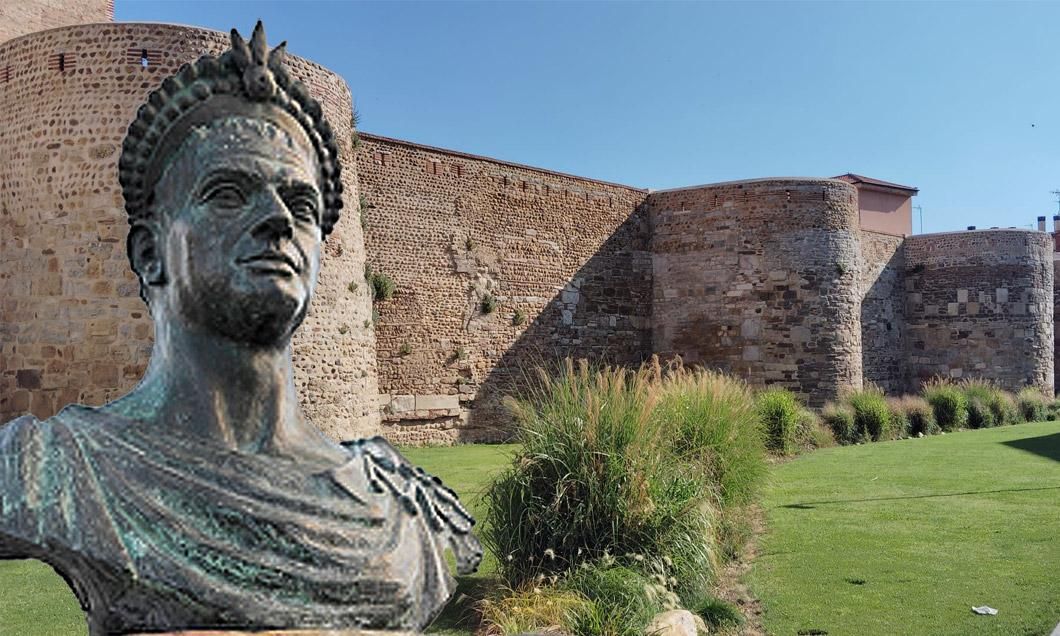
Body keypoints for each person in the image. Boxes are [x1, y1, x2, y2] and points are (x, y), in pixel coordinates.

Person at [0, 22, 480, 635]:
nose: (279, 220)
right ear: (150, 254)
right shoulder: (51, 469)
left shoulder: (398, 502)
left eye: (302, 206)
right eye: (228, 192)